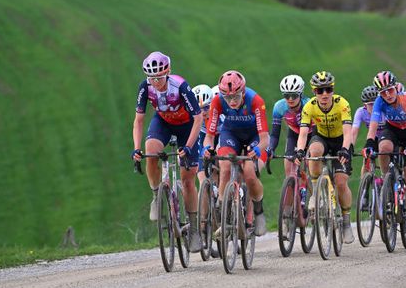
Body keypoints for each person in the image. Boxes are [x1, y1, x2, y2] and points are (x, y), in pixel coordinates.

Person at [131, 51, 204, 252]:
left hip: (187, 127)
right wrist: (136, 148)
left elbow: (198, 119)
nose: (156, 82)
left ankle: (194, 228)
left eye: (160, 77)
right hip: (163, 122)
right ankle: (157, 196)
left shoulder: (180, 86)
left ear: (168, 72)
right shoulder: (145, 87)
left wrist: (188, 146)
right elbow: (139, 121)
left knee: (188, 179)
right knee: (151, 153)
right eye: (152, 78)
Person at [202, 70, 269, 236]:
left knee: (249, 173)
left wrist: (257, 149)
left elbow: (265, 139)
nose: (231, 101)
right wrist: (207, 148)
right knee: (224, 165)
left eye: (236, 97)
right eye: (228, 98)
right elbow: (209, 136)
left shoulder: (255, 100)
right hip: (231, 134)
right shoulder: (217, 101)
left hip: (255, 138)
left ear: (243, 92)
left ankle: (259, 212)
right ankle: (223, 209)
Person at [294, 71, 356, 243]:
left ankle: (346, 222)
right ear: (314, 92)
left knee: (341, 182)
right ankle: (315, 193)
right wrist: (300, 150)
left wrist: (345, 149)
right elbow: (304, 133)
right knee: (313, 152)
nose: (325, 94)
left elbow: (347, 131)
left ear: (332, 90)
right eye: (320, 91)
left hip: (340, 141)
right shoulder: (310, 107)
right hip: (321, 138)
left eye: (328, 89)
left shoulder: (341, 103)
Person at [363, 70, 406, 238]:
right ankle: (385, 180)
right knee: (383, 148)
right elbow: (373, 126)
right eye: (383, 92)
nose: (387, 95)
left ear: (396, 87)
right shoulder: (379, 102)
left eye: (390, 90)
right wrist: (368, 142)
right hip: (393, 130)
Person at [268, 75, 309, 179]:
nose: (290, 99)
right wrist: (271, 149)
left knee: (313, 165)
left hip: (311, 134)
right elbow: (275, 134)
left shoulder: (309, 105)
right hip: (294, 134)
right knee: (288, 170)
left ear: (300, 94)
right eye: (287, 95)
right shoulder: (279, 107)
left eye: (294, 95)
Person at [350, 85, 383, 180]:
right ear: (365, 105)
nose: (374, 107)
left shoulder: (384, 111)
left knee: (384, 156)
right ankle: (363, 187)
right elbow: (354, 131)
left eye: (376, 103)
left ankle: (385, 181)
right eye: (371, 104)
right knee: (366, 159)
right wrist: (350, 147)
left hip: (386, 138)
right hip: (373, 138)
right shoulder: (361, 112)